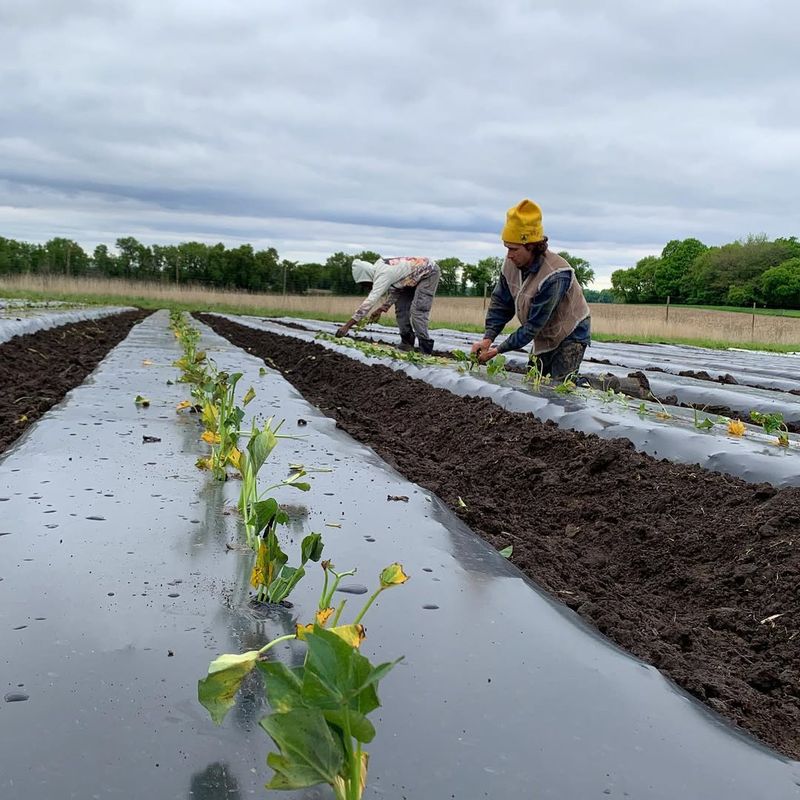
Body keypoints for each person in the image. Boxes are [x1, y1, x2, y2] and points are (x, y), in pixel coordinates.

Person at [472, 199, 591, 380]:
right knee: (535, 383)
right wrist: (488, 338)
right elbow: (501, 305)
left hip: (570, 334)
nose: (508, 255)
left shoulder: (555, 275)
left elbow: (532, 327)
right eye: (506, 248)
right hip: (544, 334)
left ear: (531, 247)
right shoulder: (510, 264)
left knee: (561, 387)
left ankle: (619, 384)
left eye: (513, 249)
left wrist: (496, 351)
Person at [335, 256, 441, 354]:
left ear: (367, 277)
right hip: (410, 279)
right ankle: (407, 343)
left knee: (418, 310)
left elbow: (369, 301)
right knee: (401, 309)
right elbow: (396, 290)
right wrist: (382, 309)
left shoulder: (382, 274)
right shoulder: (380, 270)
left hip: (428, 272)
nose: (367, 288)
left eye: (365, 284)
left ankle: (425, 347)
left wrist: (347, 326)